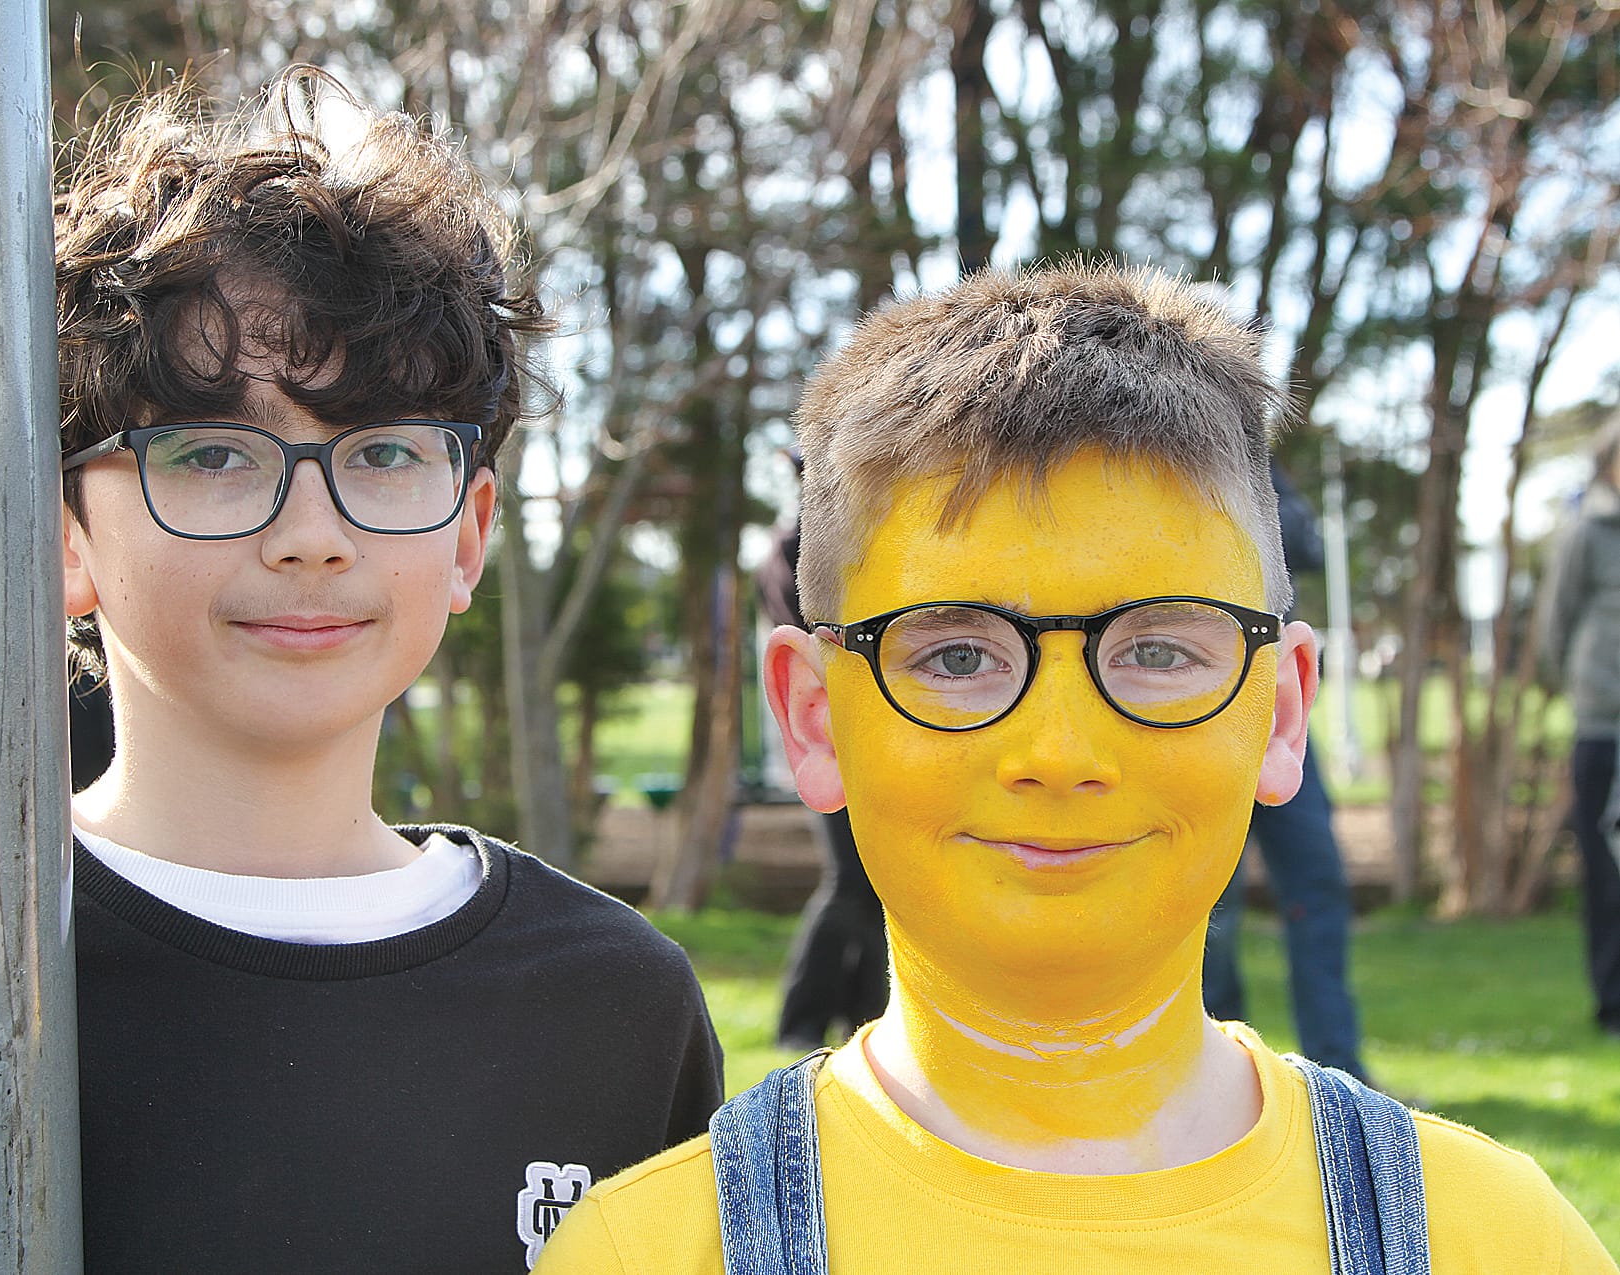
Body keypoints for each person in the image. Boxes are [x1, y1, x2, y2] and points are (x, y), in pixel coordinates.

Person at [534, 263, 1613, 1272]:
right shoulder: (651, 1252)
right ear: (813, 717)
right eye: (954, 655)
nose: (1057, 753)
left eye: (1155, 651)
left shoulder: (1498, 1240)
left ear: (1281, 711)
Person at [51, 68, 723, 1272]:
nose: (312, 531)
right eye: (211, 455)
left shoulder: (613, 1006)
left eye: (383, 456)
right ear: (61, 536)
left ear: (466, 537)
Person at [1203, 463, 1370, 1080]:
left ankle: (1341, 1067)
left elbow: (1307, 548)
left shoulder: (1262, 468)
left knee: (1318, 883)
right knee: (1207, 902)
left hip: (1277, 715)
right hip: (1195, 720)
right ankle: (1211, 1061)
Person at [755, 453, 889, 1051]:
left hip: (873, 736)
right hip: (834, 740)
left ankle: (860, 1016)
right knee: (849, 885)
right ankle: (800, 1022)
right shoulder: (795, 549)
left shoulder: (825, 540)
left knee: (878, 886)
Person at [1537, 415, 1620, 1038]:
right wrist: (1561, 681)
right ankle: (1612, 1000)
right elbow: (1557, 618)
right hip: (1603, 724)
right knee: (1606, 866)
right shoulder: (1587, 530)